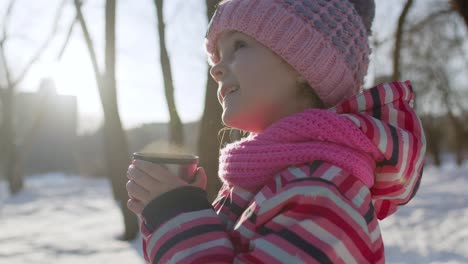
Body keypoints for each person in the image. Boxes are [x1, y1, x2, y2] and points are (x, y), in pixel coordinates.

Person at [126, 0, 426, 263]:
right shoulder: (270, 180)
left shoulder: (323, 192)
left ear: (303, 64)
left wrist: (178, 215)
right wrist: (176, 213)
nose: (215, 69)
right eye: (216, 55)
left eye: (239, 45)